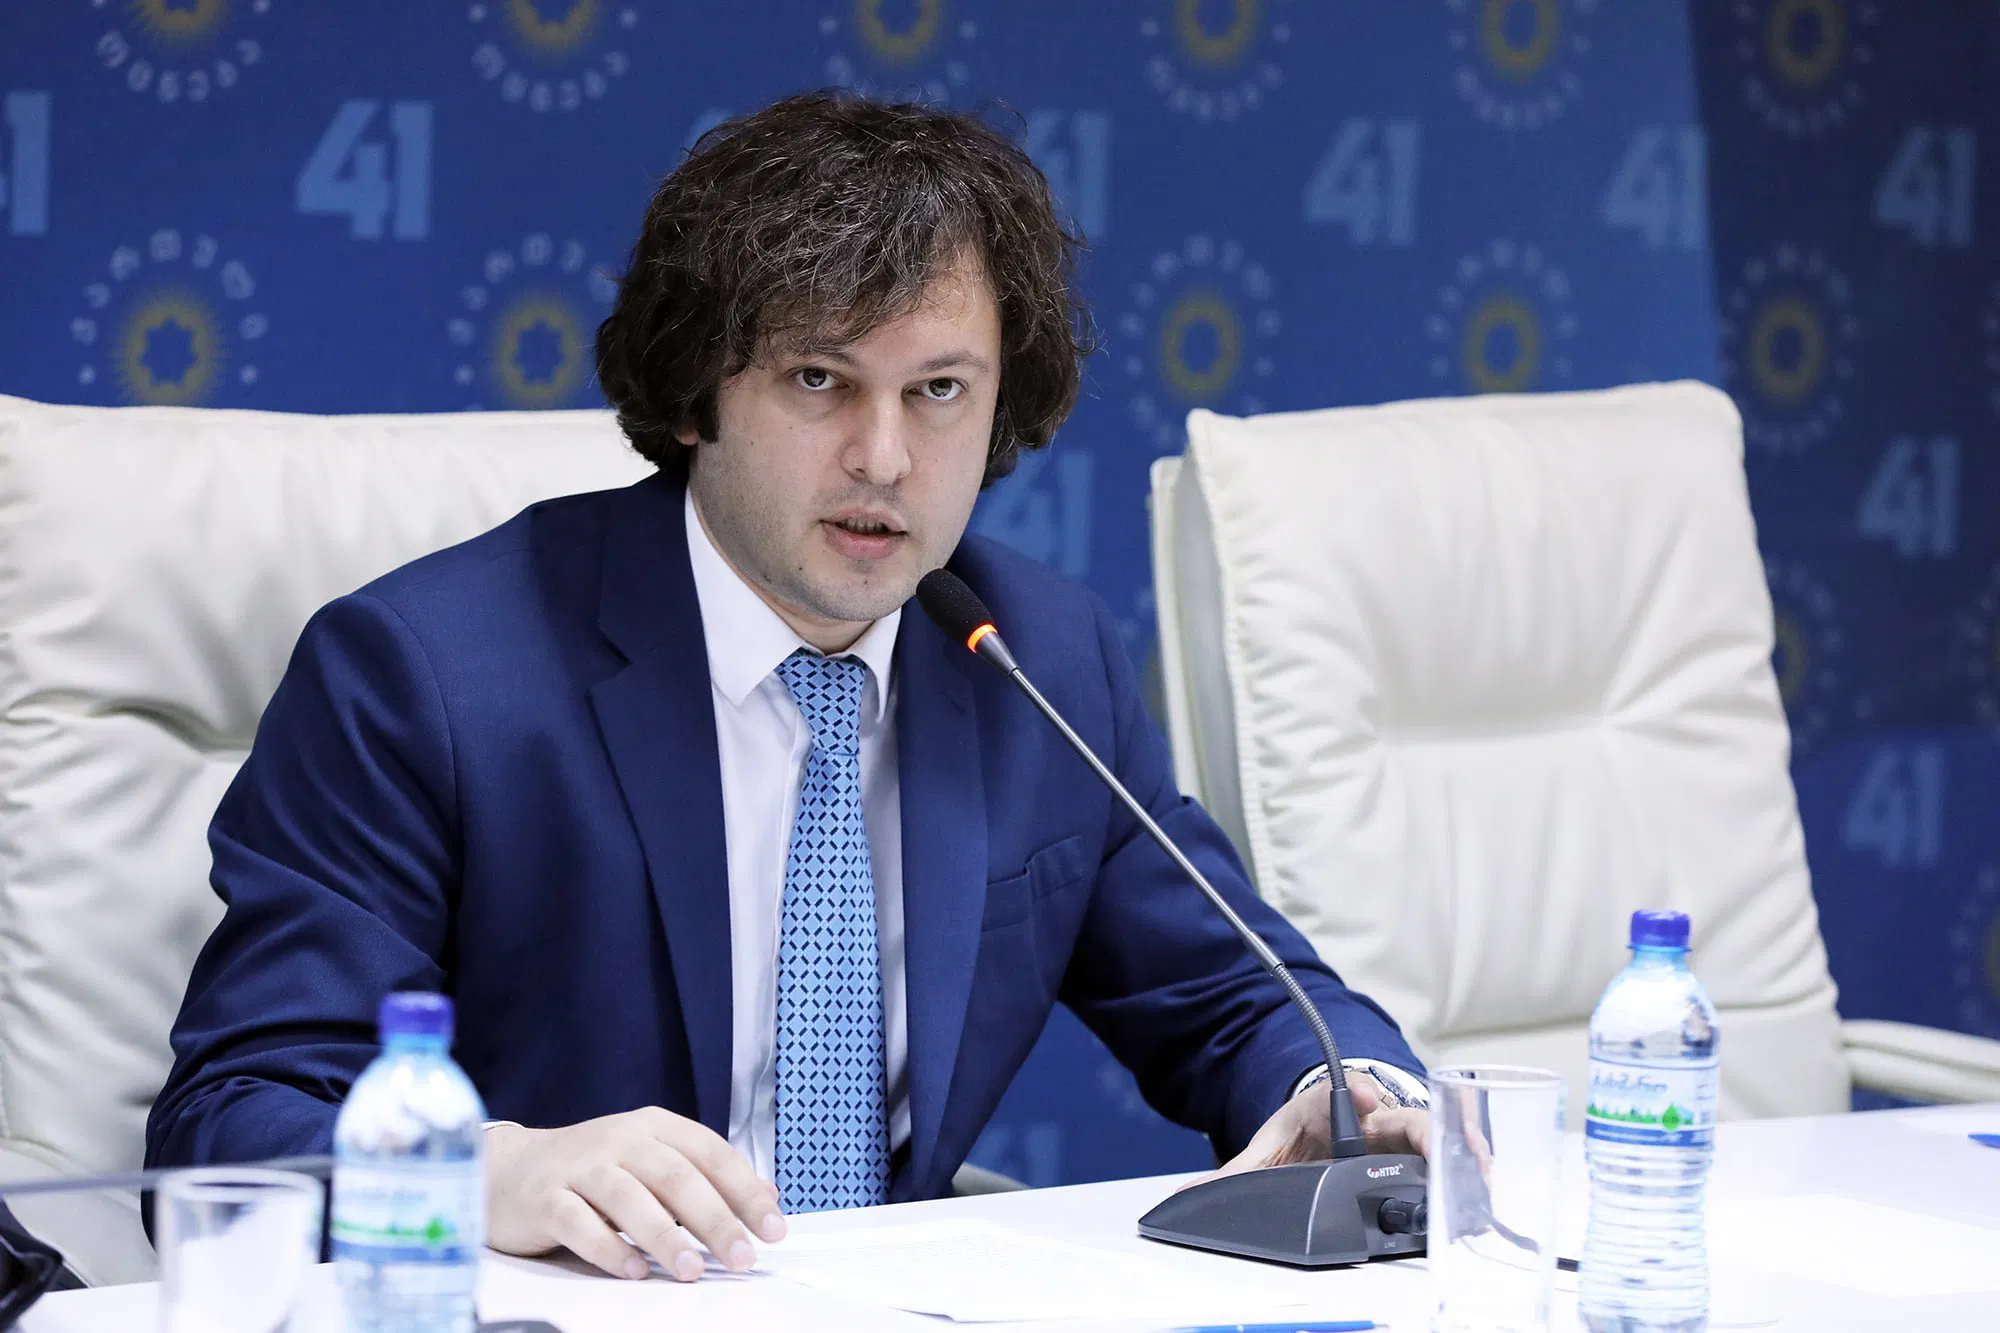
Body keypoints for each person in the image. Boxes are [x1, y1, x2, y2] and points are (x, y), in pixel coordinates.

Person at [146, 91, 1430, 1285]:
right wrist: (489, 1170)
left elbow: (1238, 994)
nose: (884, 458)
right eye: (820, 380)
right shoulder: (424, 675)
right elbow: (229, 1121)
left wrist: (1347, 1094)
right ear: (695, 394)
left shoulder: (1035, 659)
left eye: (939, 392)